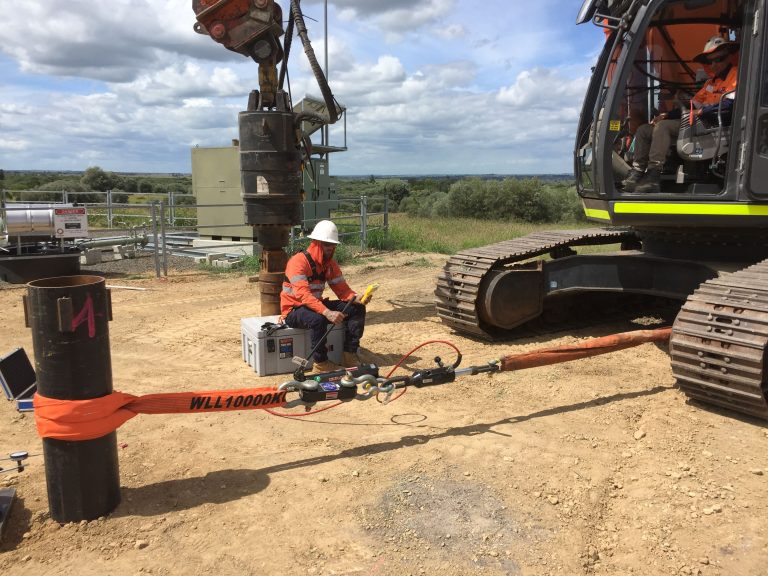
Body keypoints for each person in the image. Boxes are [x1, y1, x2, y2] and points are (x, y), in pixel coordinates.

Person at [623, 35, 739, 193]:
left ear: (729, 56)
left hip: (714, 125)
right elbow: (693, 104)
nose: (714, 64)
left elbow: (731, 105)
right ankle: (637, 172)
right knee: (644, 130)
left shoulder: (736, 75)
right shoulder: (710, 83)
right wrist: (667, 115)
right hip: (697, 123)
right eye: (710, 61)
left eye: (719, 59)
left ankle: (653, 175)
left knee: (663, 128)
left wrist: (702, 111)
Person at [280, 220, 367, 374]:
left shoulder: (329, 264)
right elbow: (303, 296)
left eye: (333, 245)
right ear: (316, 243)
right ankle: (321, 364)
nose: (331, 248)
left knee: (356, 308)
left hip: (315, 305)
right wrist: (327, 312)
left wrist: (356, 297)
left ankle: (349, 354)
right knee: (317, 320)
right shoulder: (298, 262)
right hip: (294, 310)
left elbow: (342, 290)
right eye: (327, 245)